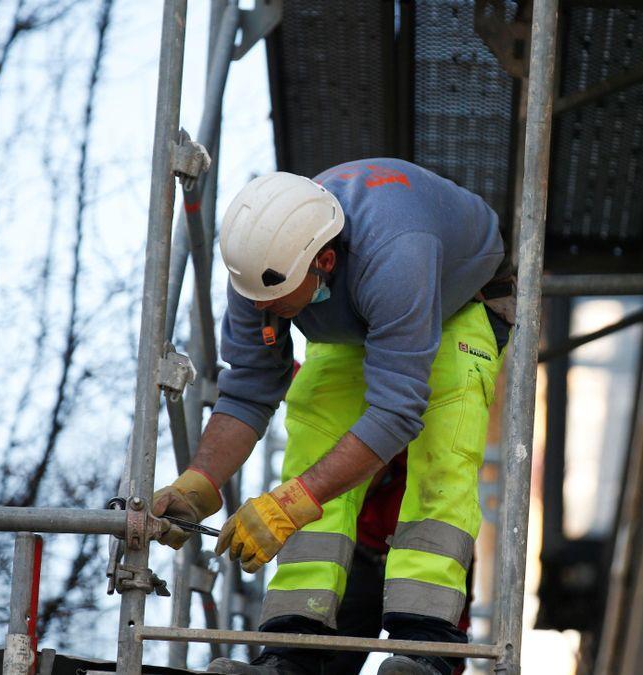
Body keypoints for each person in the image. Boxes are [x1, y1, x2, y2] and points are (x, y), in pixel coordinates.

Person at [151, 158, 511, 675]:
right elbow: (249, 389)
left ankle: (425, 647)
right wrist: (198, 483)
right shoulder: (259, 272)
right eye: (257, 301)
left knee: (443, 449)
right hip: (359, 321)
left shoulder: (395, 253)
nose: (264, 313)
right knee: (314, 435)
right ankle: (293, 651)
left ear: (322, 260)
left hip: (462, 301)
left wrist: (293, 503)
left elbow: (395, 411)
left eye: (277, 300)